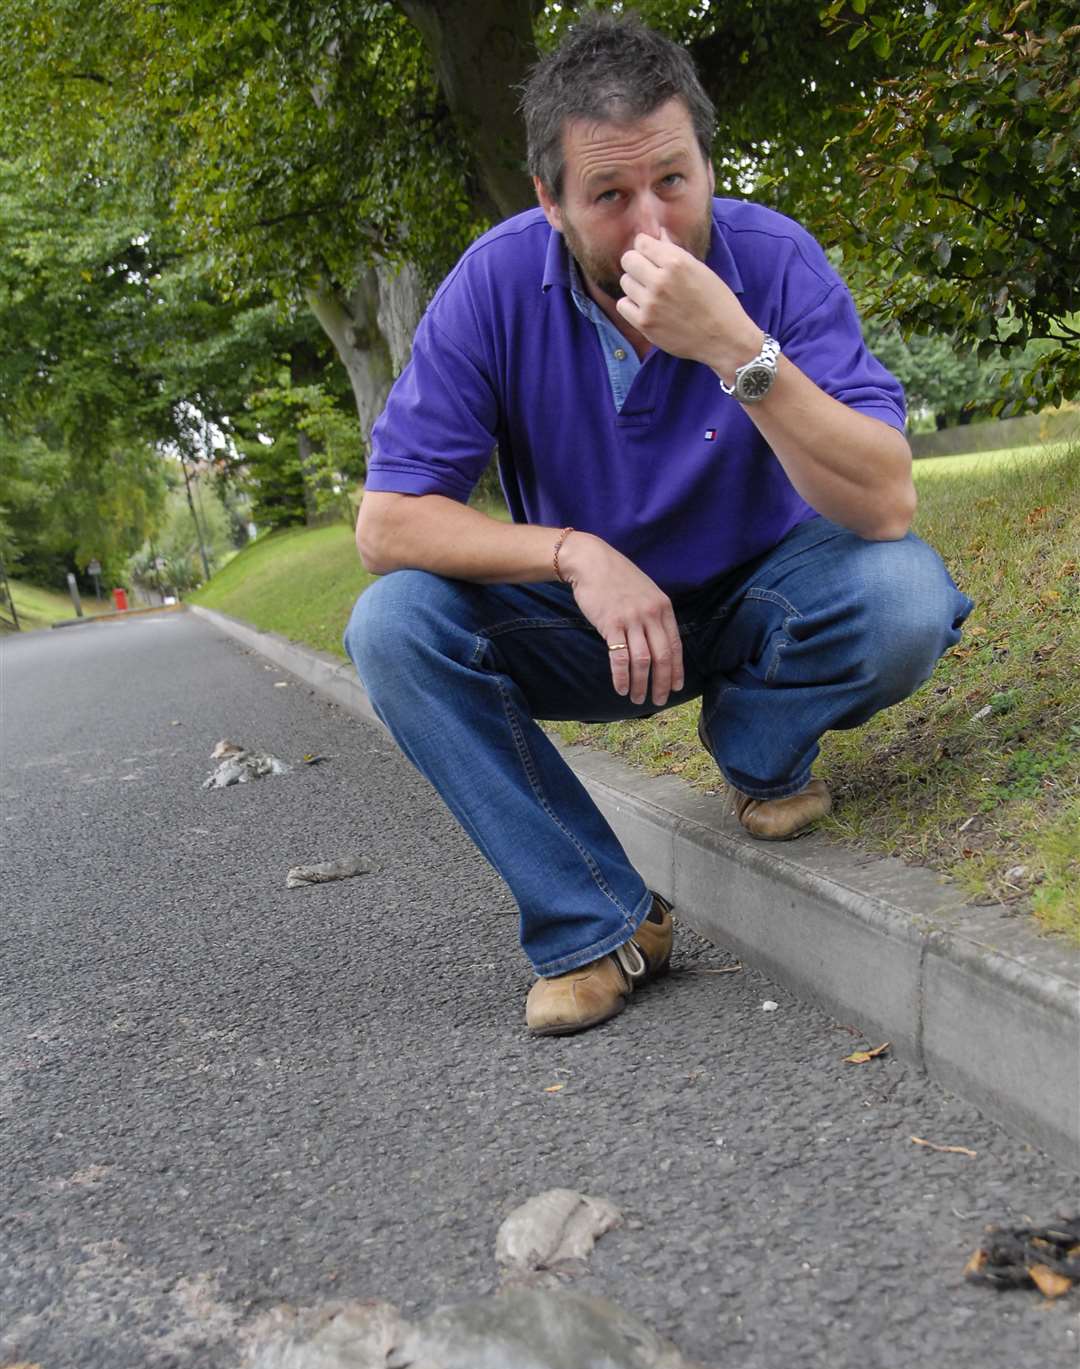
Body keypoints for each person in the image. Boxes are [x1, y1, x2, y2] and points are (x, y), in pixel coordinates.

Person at [345, 12, 971, 1039]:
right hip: (597, 627)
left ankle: (759, 748)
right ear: (548, 199)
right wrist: (571, 552)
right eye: (609, 195)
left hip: (769, 596)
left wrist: (738, 350)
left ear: (708, 165)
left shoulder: (776, 260)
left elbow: (885, 501)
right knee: (393, 624)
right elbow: (387, 523)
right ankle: (597, 921)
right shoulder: (492, 287)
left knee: (903, 595)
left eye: (673, 181)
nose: (653, 227)